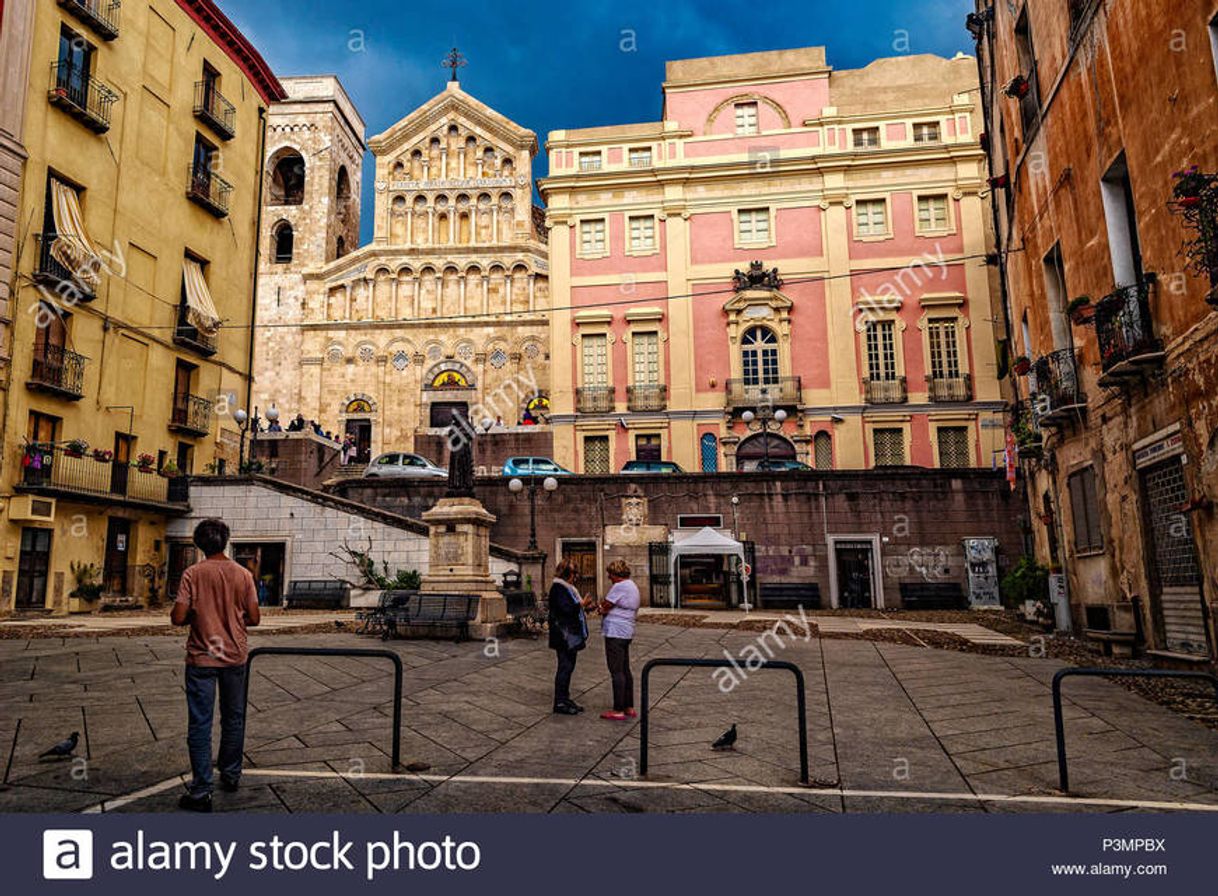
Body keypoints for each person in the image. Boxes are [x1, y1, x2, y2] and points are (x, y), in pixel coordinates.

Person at [170, 519, 261, 812]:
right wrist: (233, 620)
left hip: (201, 657)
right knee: (233, 718)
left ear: (199, 544)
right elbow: (255, 617)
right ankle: (231, 774)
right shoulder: (243, 574)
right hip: (235, 655)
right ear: (225, 541)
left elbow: (178, 616)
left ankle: (201, 790)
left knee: (200, 722)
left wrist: (198, 615)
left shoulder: (192, 574)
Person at [548, 558, 594, 715]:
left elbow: (573, 608)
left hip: (569, 635)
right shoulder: (558, 588)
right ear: (567, 574)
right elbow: (566, 609)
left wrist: (585, 606)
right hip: (563, 635)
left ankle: (565, 698)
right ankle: (560, 702)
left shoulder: (568, 588)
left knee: (569, 667)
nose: (576, 576)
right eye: (574, 573)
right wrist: (582, 604)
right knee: (564, 668)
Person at [597, 560, 641, 720]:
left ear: (616, 574)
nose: (609, 577)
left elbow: (606, 605)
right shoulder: (632, 586)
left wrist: (601, 609)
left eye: (610, 574)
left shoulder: (619, 587)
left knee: (616, 671)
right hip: (626, 631)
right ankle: (629, 706)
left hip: (615, 631)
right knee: (625, 669)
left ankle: (618, 709)